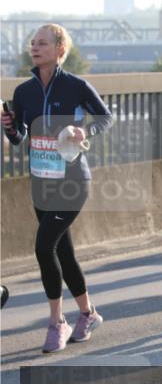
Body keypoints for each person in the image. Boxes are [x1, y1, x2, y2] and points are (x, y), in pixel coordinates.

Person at [2, 24, 112, 353]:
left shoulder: (76, 86)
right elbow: (20, 137)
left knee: (43, 246)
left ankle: (56, 322)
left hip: (73, 181)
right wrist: (10, 128)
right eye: (33, 43)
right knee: (62, 251)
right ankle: (88, 314)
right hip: (41, 181)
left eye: (42, 43)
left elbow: (105, 118)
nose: (35, 48)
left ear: (60, 49)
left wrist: (85, 133)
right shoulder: (24, 91)